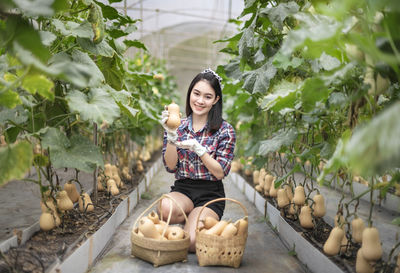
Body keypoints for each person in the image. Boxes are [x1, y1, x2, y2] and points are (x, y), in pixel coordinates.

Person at [160, 68, 236, 252]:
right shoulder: (177, 124)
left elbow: (220, 172)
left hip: (210, 194)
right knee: (165, 208)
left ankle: (197, 220)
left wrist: (200, 150)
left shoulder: (225, 130)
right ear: (190, 93)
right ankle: (191, 220)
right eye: (196, 94)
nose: (200, 101)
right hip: (183, 189)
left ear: (216, 100)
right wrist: (171, 135)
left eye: (208, 97)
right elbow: (170, 166)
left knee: (192, 243)